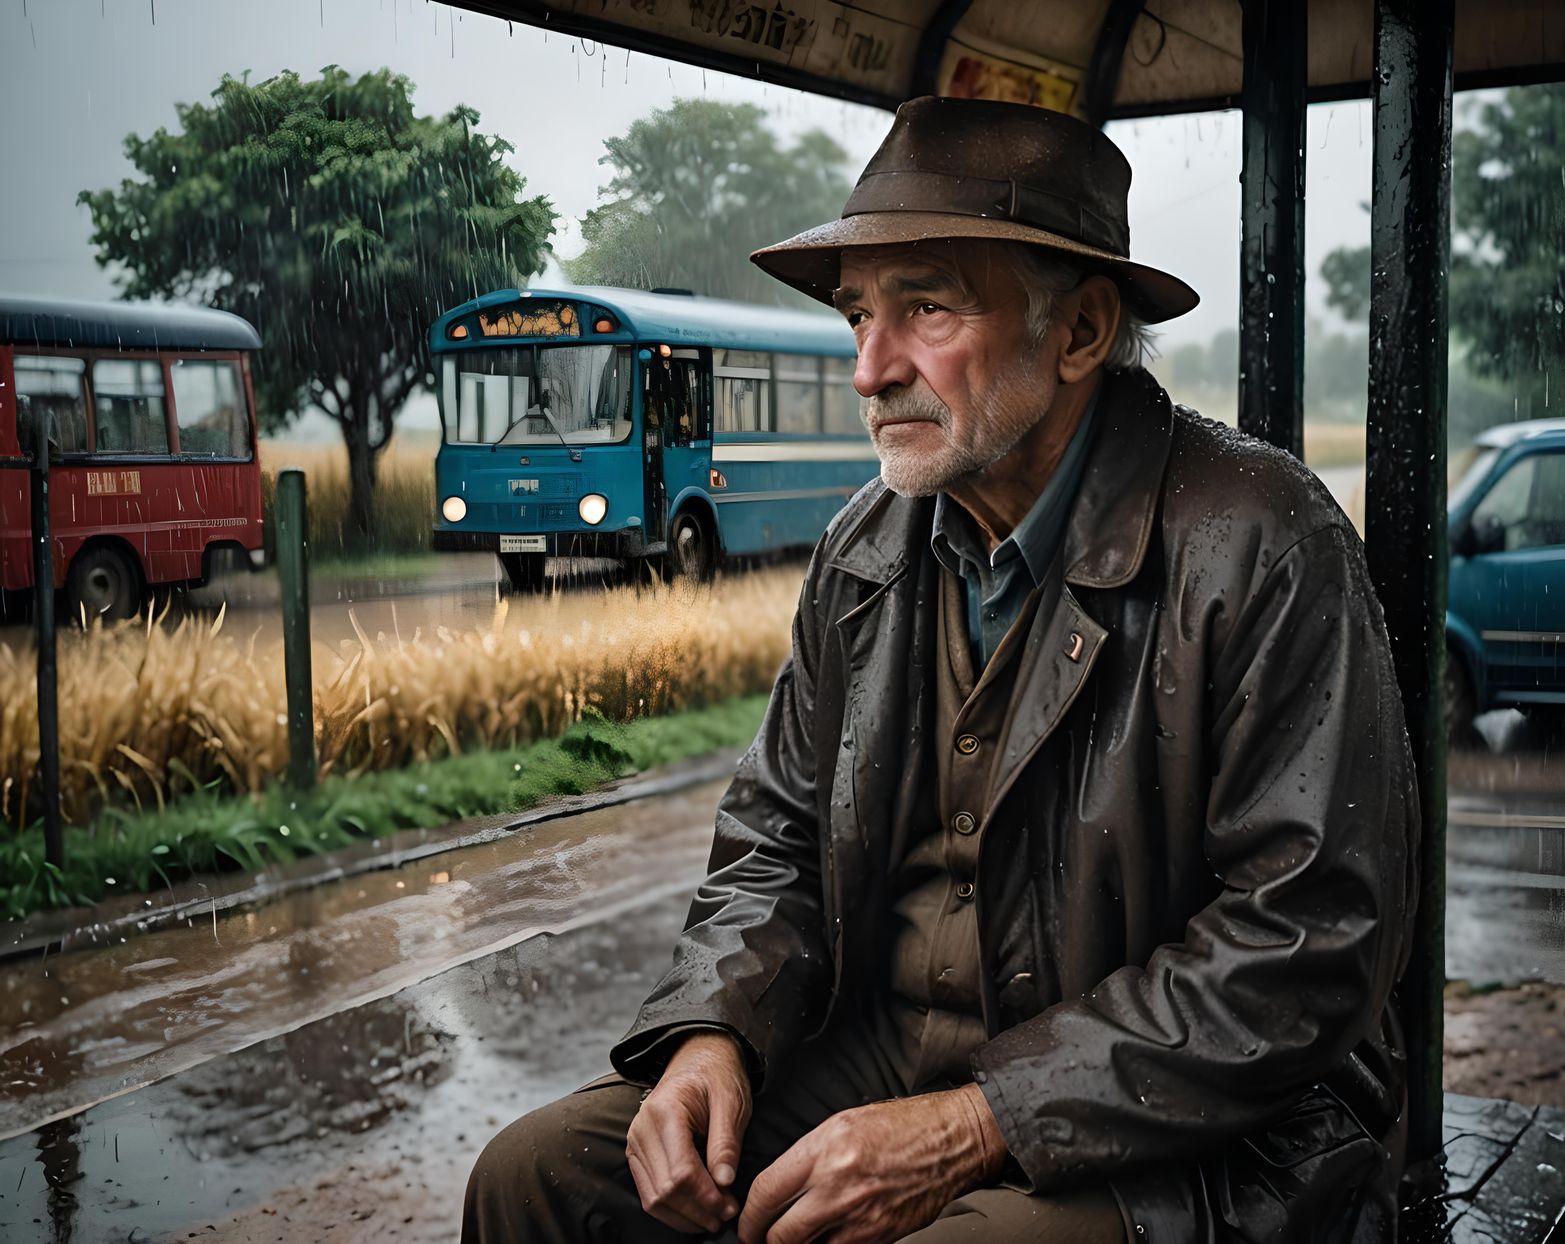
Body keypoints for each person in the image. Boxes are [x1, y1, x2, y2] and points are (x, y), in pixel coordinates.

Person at [463, 96, 1419, 1244]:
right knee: (534, 1179)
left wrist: (979, 1120)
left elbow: (1309, 936)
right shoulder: (864, 549)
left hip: (1202, 1131)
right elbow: (775, 835)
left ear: (1079, 331)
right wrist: (711, 1031)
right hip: (888, 1057)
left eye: (924, 307)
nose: (869, 369)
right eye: (858, 314)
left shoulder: (1261, 539)